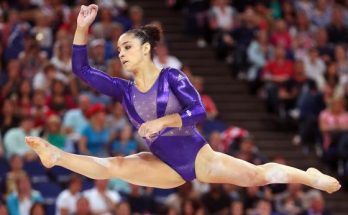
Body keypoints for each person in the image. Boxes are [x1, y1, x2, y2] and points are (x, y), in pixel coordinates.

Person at [26, 4, 340, 194]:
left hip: (199, 158)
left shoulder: (171, 77)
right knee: (116, 166)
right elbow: (80, 69)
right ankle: (56, 157)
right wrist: (81, 28)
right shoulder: (124, 90)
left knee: (256, 177)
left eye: (127, 47)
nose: (120, 53)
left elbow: (199, 112)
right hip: (163, 166)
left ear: (145, 48)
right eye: (119, 49)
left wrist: (161, 122)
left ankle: (309, 176)